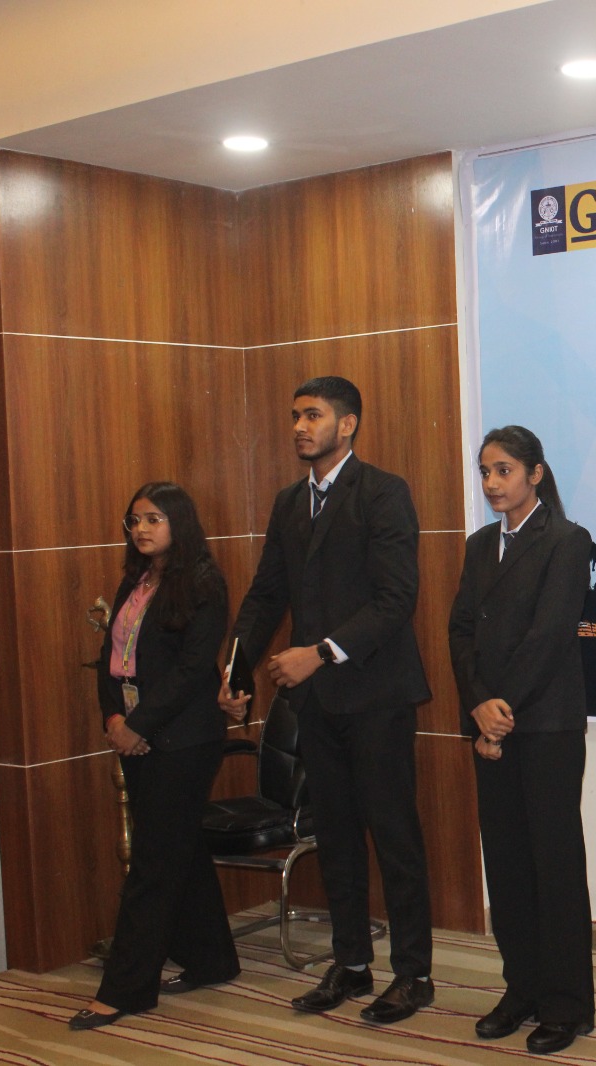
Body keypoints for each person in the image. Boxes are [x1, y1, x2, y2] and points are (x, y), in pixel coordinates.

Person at [220, 376, 435, 1025]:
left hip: (377, 695)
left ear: (347, 425)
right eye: (295, 415)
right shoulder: (290, 502)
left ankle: (414, 974)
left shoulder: (383, 492)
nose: (299, 427)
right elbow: (266, 595)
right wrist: (235, 671)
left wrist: (319, 652)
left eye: (312, 415)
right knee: (337, 839)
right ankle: (351, 965)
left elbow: (396, 599)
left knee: (394, 837)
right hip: (317, 705)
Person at [449, 425, 596, 1055]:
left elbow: (549, 635)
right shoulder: (480, 545)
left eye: (504, 470)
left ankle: (567, 1004)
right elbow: (460, 631)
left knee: (553, 865)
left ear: (535, 474)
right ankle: (522, 989)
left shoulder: (567, 540)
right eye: (485, 471)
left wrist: (499, 711)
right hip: (492, 722)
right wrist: (477, 705)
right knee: (507, 864)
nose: (491, 483)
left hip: (545, 725)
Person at [69, 483, 239, 1030]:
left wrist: (138, 725)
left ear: (179, 523)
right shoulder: (136, 579)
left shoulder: (205, 582)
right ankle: (212, 960)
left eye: (153, 519)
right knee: (179, 848)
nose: (141, 529)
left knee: (152, 861)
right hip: (135, 732)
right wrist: (113, 720)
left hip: (184, 738)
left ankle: (126, 989)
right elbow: (111, 657)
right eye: (134, 520)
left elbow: (192, 671)